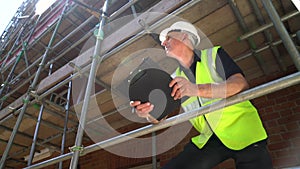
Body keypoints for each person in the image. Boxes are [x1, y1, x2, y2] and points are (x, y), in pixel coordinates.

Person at [130, 21, 273, 169]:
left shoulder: (213, 55)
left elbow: (240, 84)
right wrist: (147, 113)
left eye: (169, 38)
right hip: (209, 139)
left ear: (184, 36)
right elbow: (160, 117)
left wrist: (196, 89)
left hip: (243, 130)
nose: (164, 42)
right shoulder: (173, 79)